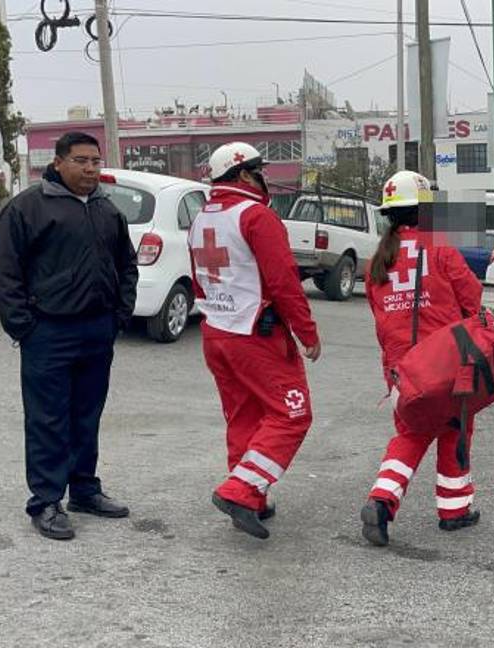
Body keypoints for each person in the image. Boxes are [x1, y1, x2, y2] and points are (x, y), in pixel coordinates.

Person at [0, 132, 138, 541]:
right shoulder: (28, 208)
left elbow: (127, 265)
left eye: (95, 161)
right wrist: (24, 326)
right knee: (48, 418)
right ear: (58, 163)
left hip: (97, 331)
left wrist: (119, 316)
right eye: (80, 161)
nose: (90, 169)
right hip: (48, 332)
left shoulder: (107, 210)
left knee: (87, 415)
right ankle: (46, 501)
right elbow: (3, 269)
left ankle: (84, 490)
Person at [189, 142, 322, 540]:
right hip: (255, 334)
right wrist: (306, 332)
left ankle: (252, 498)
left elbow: (198, 279)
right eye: (260, 171)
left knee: (244, 416)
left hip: (216, 332)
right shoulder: (256, 216)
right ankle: (241, 491)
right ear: (245, 174)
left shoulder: (202, 217)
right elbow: (283, 282)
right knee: (292, 415)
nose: (266, 177)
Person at [359, 170, 484, 547]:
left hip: (402, 370)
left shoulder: (377, 261)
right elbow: (472, 299)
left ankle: (382, 500)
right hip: (445, 364)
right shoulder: (440, 247)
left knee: (411, 434)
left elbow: (381, 319)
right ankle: (454, 510)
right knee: (455, 428)